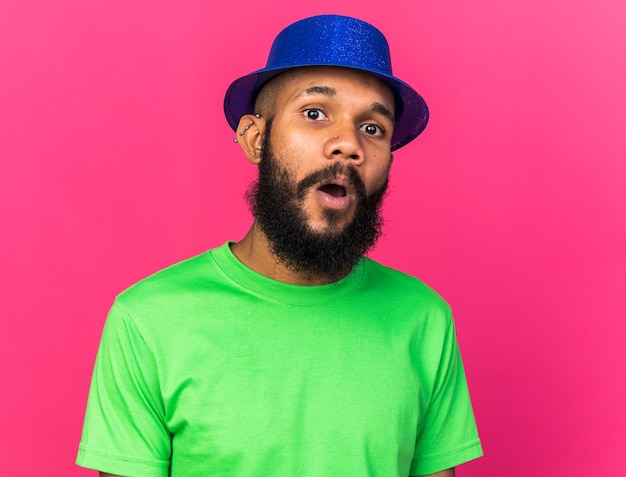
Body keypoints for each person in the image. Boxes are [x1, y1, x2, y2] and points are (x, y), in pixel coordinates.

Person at [76, 14, 483, 477]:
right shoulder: (149, 319)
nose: (348, 144)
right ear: (255, 137)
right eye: (314, 113)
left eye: (373, 128)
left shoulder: (423, 319)